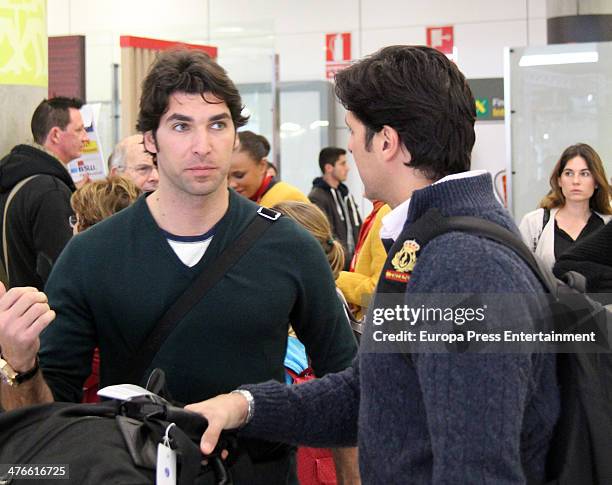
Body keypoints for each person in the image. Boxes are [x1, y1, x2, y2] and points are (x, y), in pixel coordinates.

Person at [185, 45, 560, 484]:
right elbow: (372, 393)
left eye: (352, 130)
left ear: (386, 141)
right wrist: (244, 406)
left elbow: (478, 469)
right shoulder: (432, 241)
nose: (348, 148)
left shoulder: (464, 264)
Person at [0, 49, 356, 483]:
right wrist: (21, 367)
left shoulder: (289, 247)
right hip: (135, 469)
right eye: (181, 126)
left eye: (218, 125)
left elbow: (346, 389)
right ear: (150, 140)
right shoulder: (92, 255)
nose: (202, 145)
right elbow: (47, 421)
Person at [0, 97, 89, 289]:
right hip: (42, 311)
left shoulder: (14, 180)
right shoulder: (50, 191)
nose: (86, 138)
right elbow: (63, 270)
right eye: (79, 129)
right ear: (56, 135)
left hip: (16, 307)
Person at [69, 175, 142, 403]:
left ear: (87, 226)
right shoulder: (145, 268)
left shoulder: (84, 280)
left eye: (76, 219)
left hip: (97, 409)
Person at [519, 143, 612, 270]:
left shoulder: (607, 225)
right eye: (569, 173)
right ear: (559, 181)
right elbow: (520, 272)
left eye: (584, 174)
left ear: (596, 182)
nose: (575, 181)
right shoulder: (535, 223)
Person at [336, 199, 391, 320]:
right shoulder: (380, 212)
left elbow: (379, 296)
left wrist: (335, 279)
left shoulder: (386, 213)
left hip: (374, 326)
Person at [309, 147, 362, 269]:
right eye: (342, 164)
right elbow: (324, 235)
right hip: (337, 266)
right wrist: (346, 260)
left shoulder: (345, 195)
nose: (347, 168)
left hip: (353, 264)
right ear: (328, 168)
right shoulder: (316, 197)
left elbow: (358, 227)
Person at [228, 130, 309, 207]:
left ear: (262, 166)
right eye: (225, 177)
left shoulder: (289, 199)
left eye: (239, 175)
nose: (231, 184)